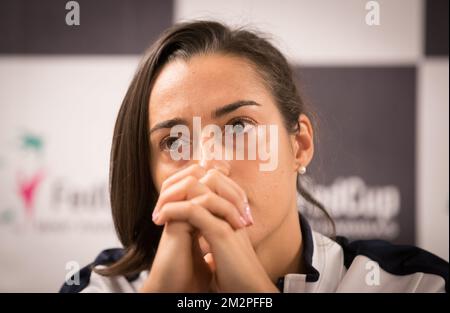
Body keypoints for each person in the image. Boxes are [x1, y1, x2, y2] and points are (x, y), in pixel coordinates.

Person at [60, 20, 448, 293]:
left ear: (300, 145)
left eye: (240, 128)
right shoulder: (100, 286)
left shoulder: (413, 283)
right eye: (175, 143)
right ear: (149, 174)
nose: (209, 165)